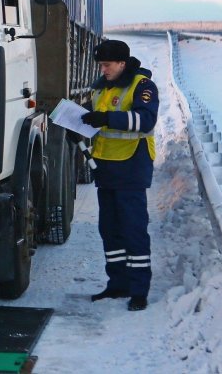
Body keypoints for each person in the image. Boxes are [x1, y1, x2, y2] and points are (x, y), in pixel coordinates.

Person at [80, 39, 159, 311]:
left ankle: (139, 290)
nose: (102, 70)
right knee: (110, 231)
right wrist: (77, 125)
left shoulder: (143, 86)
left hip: (131, 168)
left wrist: (106, 119)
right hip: (106, 168)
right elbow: (95, 121)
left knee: (133, 230)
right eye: (101, 65)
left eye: (107, 65)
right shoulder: (103, 88)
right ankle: (117, 284)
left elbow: (145, 120)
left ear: (122, 63)